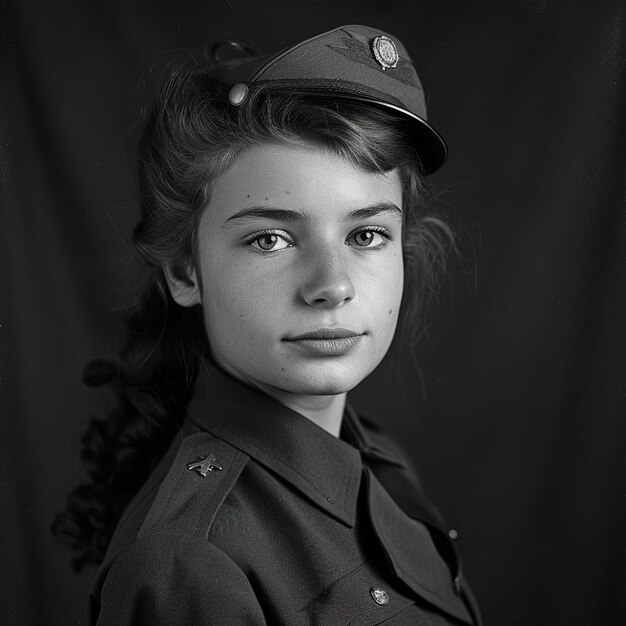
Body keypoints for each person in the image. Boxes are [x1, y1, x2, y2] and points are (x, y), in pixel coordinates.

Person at [53, 24, 481, 625]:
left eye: (367, 234)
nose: (331, 285)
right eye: (271, 238)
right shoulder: (188, 564)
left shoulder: (377, 461)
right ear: (184, 273)